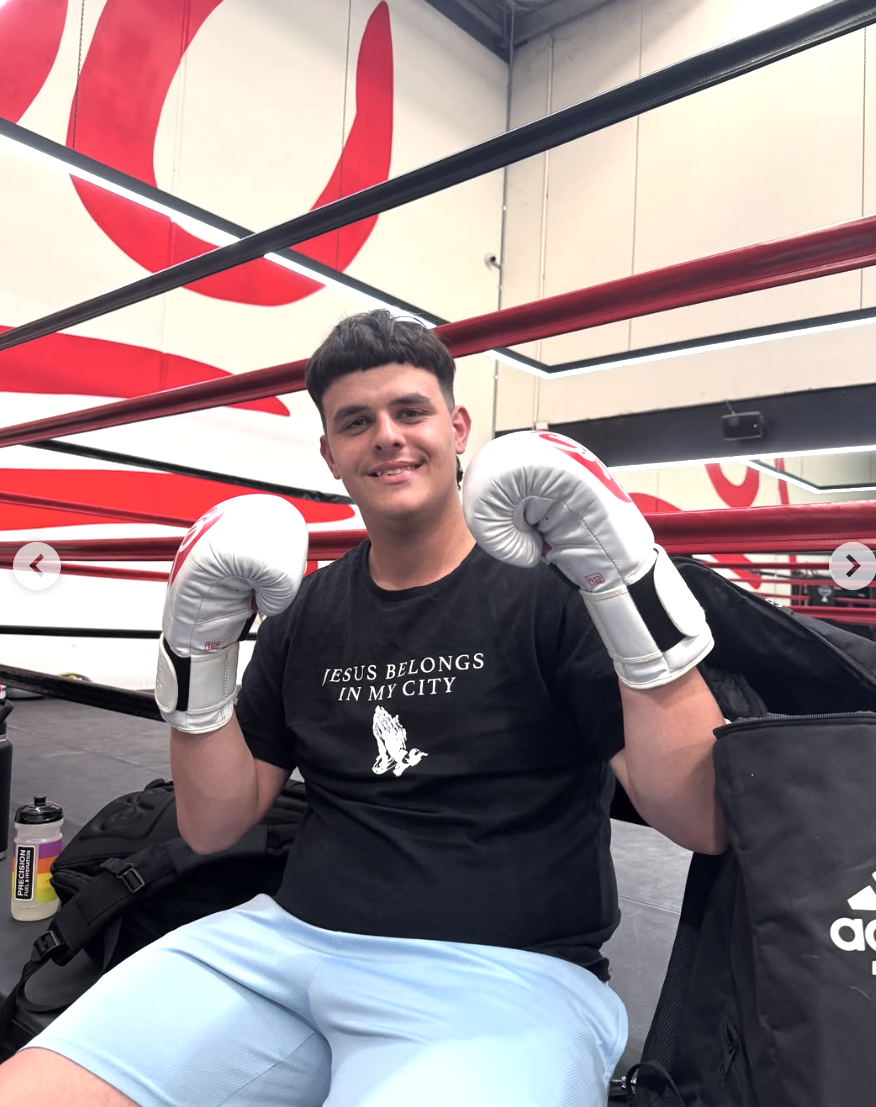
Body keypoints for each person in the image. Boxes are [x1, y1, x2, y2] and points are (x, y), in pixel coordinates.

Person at [0, 310, 726, 1107]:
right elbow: (212, 826)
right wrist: (195, 657)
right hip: (282, 948)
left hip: (505, 976)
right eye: (356, 422)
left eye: (409, 412)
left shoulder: (555, 593)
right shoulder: (309, 611)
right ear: (330, 455)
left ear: (456, 428)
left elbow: (703, 820)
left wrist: (627, 586)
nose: (387, 436)